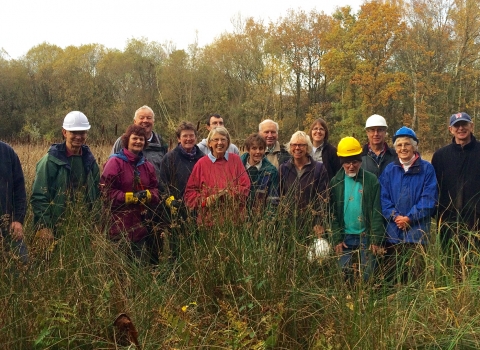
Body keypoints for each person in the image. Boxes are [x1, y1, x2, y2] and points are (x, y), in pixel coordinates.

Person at [379, 127, 437, 285]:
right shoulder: (390, 170)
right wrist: (395, 216)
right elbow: (383, 198)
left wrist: (410, 218)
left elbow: (429, 198)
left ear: (415, 146)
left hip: (417, 233)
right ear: (395, 149)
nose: (403, 148)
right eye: (399, 145)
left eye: (407, 144)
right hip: (393, 232)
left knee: (415, 277)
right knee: (393, 275)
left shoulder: (427, 169)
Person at [31, 111, 100, 241]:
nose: (78, 137)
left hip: (84, 228)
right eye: (74, 132)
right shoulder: (50, 161)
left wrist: (96, 223)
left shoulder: (90, 162)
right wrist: (44, 226)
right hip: (55, 228)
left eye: (82, 132)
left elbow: (97, 195)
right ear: (64, 132)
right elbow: (39, 196)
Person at [101, 125, 160, 263]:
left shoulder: (147, 166)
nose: (138, 141)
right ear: (127, 140)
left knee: (137, 268)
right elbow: (105, 191)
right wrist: (129, 197)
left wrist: (149, 195)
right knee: (117, 271)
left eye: (141, 139)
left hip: (139, 229)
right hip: (117, 228)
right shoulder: (115, 162)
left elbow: (156, 189)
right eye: (135, 138)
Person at [330, 136, 384, 284]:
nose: (351, 166)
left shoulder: (371, 180)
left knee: (367, 276)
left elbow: (376, 211)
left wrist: (376, 239)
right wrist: (337, 239)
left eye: (355, 162)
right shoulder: (336, 182)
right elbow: (332, 213)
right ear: (341, 163)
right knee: (344, 275)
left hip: (365, 237)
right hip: (345, 238)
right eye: (347, 162)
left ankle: (365, 301)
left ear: (361, 160)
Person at [431, 112, 480, 252]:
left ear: (471, 126)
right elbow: (435, 187)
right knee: (449, 260)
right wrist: (438, 212)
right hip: (448, 219)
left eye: (464, 124)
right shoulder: (440, 156)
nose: (460, 129)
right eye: (456, 125)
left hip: (476, 219)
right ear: (450, 129)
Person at [185, 126, 250, 226]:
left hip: (234, 222)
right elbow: (190, 193)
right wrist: (206, 200)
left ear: (228, 142)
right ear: (210, 143)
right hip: (208, 222)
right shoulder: (201, 163)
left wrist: (229, 195)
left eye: (223, 139)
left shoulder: (235, 160)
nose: (220, 143)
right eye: (216, 139)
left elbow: (245, 185)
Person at [158, 122, 204, 263]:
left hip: (198, 209)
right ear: (178, 138)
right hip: (176, 211)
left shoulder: (202, 158)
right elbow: (162, 184)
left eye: (191, 135)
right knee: (176, 249)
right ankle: (175, 277)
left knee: (197, 247)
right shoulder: (170, 158)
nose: (189, 139)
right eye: (185, 136)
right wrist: (171, 201)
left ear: (196, 137)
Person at [279, 131, 328, 241]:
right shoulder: (283, 169)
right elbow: (279, 196)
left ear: (307, 148)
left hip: (311, 225)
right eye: (294, 145)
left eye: (301, 145)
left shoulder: (319, 169)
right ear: (290, 147)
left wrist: (319, 222)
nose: (297, 148)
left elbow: (323, 197)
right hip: (289, 225)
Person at [111, 105, 168, 179]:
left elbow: (166, 172)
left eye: (149, 118)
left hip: (153, 189)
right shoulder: (122, 141)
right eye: (141, 118)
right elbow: (111, 167)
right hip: (126, 189)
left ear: (153, 121)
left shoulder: (161, 144)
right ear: (135, 121)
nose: (145, 121)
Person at [0, 141, 28, 265]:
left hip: (8, 225)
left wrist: (17, 219)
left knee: (23, 267)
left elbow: (19, 189)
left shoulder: (7, 152)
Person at [240, 133, 279, 216]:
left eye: (261, 148)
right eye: (254, 148)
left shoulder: (271, 171)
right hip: (239, 216)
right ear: (248, 149)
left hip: (260, 217)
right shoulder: (238, 167)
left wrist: (267, 223)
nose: (258, 152)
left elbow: (273, 199)